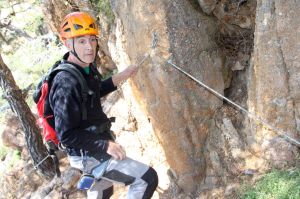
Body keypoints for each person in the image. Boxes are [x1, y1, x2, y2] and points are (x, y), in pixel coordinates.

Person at [49, 12, 158, 199]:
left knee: (104, 191)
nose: (90, 47)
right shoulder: (65, 82)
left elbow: (93, 91)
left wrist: (123, 75)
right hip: (89, 154)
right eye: (81, 41)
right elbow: (65, 135)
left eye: (92, 40)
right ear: (68, 44)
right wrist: (104, 145)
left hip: (92, 148)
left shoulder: (84, 67)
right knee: (147, 179)